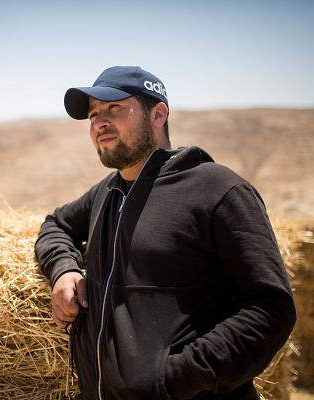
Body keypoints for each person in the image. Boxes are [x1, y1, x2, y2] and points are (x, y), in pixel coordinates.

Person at [34, 66, 296, 400]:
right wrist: (64, 269)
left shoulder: (217, 189)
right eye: (93, 114)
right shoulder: (107, 192)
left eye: (114, 108)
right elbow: (56, 224)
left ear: (158, 114)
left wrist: (173, 379)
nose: (99, 122)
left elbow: (270, 309)